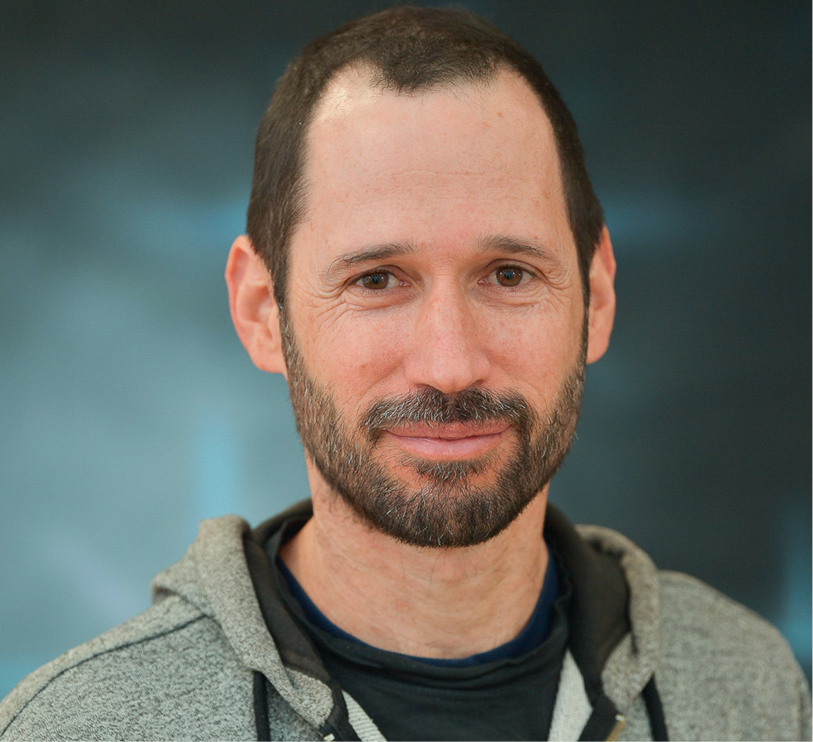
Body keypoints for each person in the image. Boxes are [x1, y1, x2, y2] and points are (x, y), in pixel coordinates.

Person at [0, 6, 809, 741]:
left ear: (594, 297)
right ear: (261, 310)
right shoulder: (79, 729)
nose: (450, 365)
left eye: (509, 274)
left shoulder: (746, 687)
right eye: (377, 280)